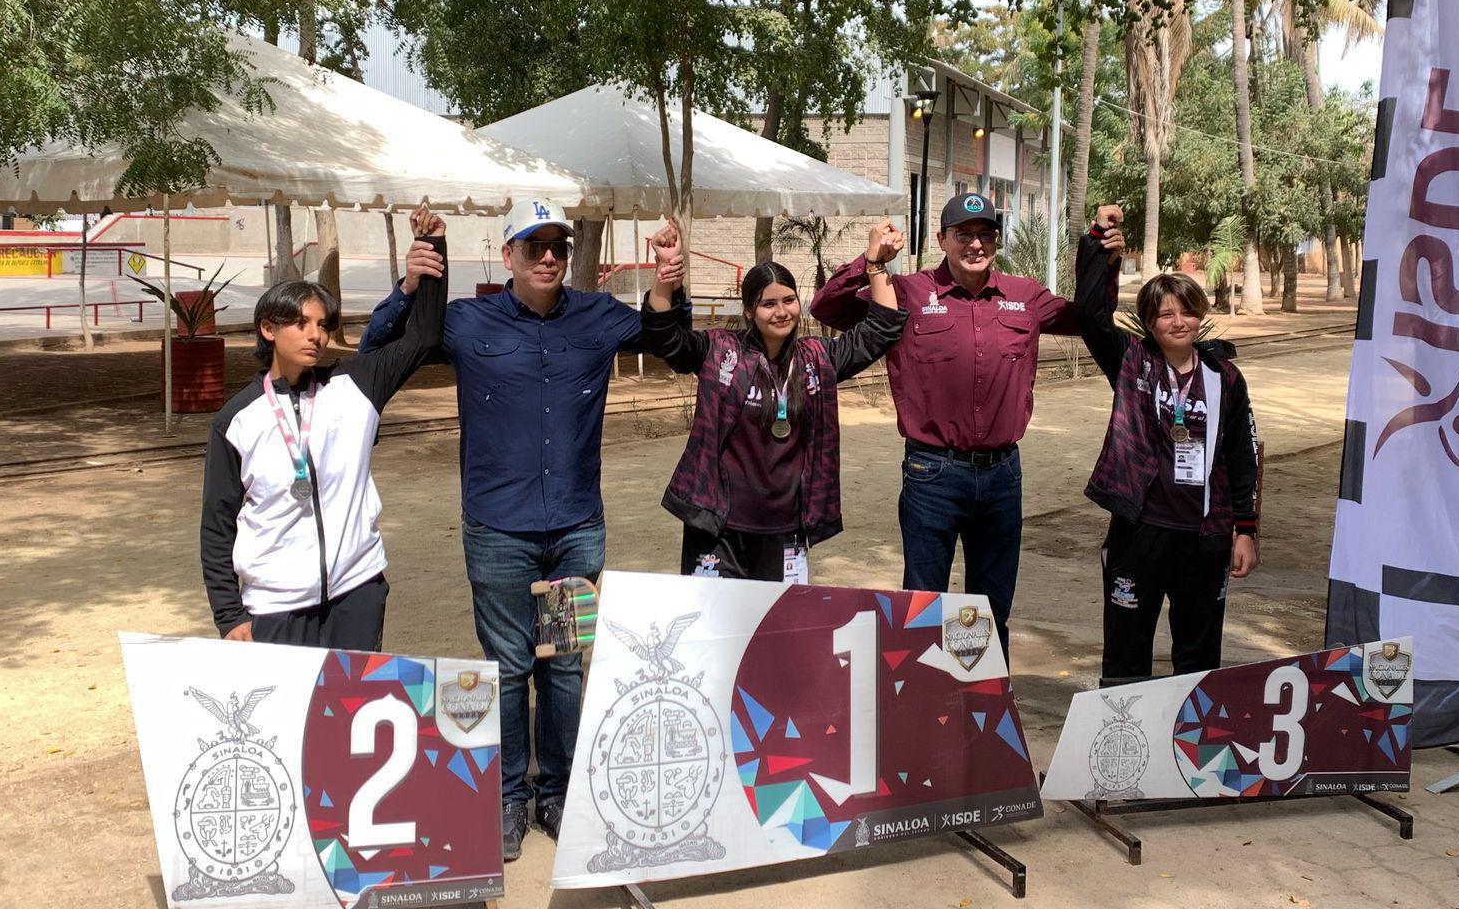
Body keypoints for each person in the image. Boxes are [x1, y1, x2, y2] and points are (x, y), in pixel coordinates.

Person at [359, 197, 683, 859]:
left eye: (559, 246)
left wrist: (665, 283)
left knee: (561, 665)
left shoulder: (597, 316)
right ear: (507, 255)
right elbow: (379, 348)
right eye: (534, 246)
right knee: (507, 668)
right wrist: (410, 284)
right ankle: (507, 796)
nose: (548, 257)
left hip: (574, 529)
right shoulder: (464, 322)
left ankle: (558, 792)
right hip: (499, 530)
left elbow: (668, 341)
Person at [811, 194, 1124, 659]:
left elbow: (1091, 319)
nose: (976, 244)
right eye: (964, 234)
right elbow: (827, 309)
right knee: (922, 605)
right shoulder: (906, 292)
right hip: (931, 474)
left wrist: (1103, 255)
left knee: (990, 608)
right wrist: (870, 261)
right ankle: (920, 693)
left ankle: (981, 697)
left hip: (1002, 476)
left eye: (985, 234)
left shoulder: (1024, 295)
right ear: (942, 239)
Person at [200, 207, 448, 651]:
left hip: (357, 591)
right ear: (268, 328)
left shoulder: (356, 386)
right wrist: (229, 615)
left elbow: (424, 338)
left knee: (349, 698)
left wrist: (430, 252)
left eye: (322, 325)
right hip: (275, 605)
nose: (315, 335)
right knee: (288, 701)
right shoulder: (236, 420)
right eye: (301, 323)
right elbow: (218, 524)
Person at [643, 220, 907, 580]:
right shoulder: (719, 351)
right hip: (718, 529)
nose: (781, 312)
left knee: (780, 618)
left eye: (789, 300)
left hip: (787, 529)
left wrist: (875, 265)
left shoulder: (817, 359)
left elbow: (880, 330)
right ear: (749, 310)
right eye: (768, 304)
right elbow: (665, 339)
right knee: (713, 618)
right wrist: (664, 276)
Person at [1074, 209, 1259, 685]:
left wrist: (1244, 530)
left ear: (1200, 314)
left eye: (1187, 311)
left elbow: (1242, 457)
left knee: (1198, 659)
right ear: (1150, 322)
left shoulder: (1224, 378)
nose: (1179, 322)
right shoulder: (1131, 361)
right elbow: (1091, 315)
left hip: (1204, 537)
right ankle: (1121, 732)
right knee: (1125, 655)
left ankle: (1190, 730)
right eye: (1166, 314)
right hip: (1140, 532)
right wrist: (1099, 245)